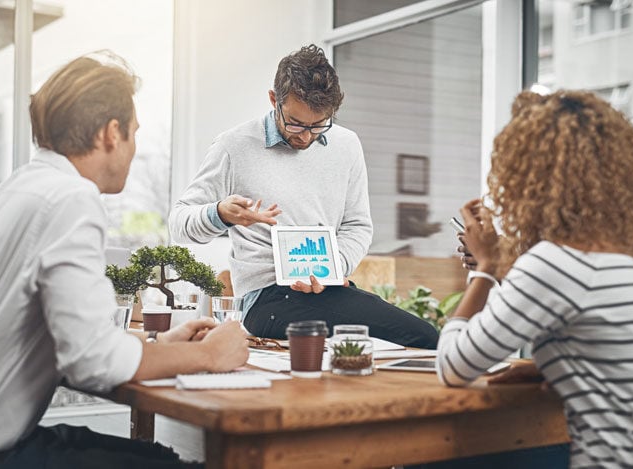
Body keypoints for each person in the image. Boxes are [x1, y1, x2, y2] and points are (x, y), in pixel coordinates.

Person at [0, 51, 249, 469]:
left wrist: (162, 345)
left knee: (156, 456)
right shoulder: (71, 200)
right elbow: (91, 363)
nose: (134, 149)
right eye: (134, 133)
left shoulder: (20, 188)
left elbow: (70, 337)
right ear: (110, 132)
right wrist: (209, 355)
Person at [169, 44, 438, 349]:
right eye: (295, 123)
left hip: (326, 290)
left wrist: (334, 267)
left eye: (319, 125)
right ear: (274, 100)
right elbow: (178, 223)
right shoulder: (234, 146)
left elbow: (357, 226)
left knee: (399, 340)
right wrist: (219, 213)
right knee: (423, 337)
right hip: (266, 298)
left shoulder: (347, 145)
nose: (306, 136)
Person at [436, 90, 633, 467]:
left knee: (440, 455)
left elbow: (452, 365)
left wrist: (486, 266)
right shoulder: (627, 260)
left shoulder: (555, 264)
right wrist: (549, 366)